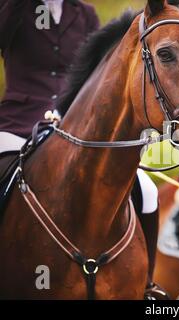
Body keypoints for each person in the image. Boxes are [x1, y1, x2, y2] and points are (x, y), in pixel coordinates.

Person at [0, 0, 163, 299]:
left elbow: (96, 69)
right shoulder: (17, 9)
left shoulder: (84, 13)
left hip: (72, 124)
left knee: (148, 190)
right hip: (17, 123)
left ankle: (148, 285)